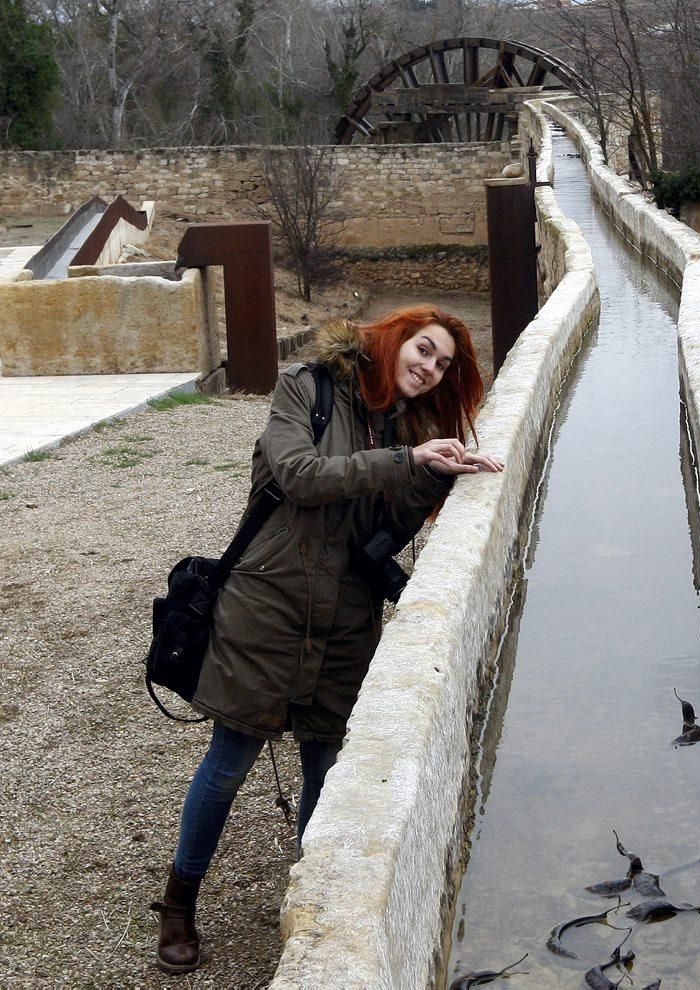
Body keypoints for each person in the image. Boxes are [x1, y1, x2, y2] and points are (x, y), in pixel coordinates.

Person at [150, 305, 504, 973]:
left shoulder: (404, 424)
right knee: (229, 761)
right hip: (268, 605)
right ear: (395, 338)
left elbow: (381, 528)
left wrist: (433, 474)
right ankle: (178, 902)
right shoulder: (305, 389)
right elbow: (299, 476)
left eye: (443, 365)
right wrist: (404, 459)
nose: (429, 369)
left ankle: (312, 899)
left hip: (345, 615)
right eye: (423, 351)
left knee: (324, 764)